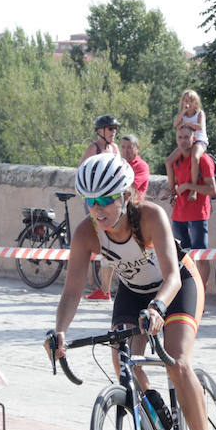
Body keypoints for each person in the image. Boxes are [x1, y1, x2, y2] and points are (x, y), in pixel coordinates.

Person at [47, 153, 216, 430]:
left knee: (177, 360)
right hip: (135, 290)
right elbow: (72, 291)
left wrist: (157, 308)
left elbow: (171, 276)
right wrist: (60, 331)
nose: (98, 209)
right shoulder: (86, 233)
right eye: (90, 201)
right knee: (121, 358)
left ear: (125, 194)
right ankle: (155, 415)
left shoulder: (150, 216)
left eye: (105, 200)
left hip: (177, 284)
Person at [163, 125, 216, 287]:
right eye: (180, 137)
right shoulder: (176, 161)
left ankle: (201, 292)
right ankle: (186, 291)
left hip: (198, 215)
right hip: (178, 214)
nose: (183, 141)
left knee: (201, 256)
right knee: (181, 257)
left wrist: (188, 186)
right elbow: (174, 187)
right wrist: (172, 194)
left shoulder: (204, 160)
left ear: (194, 139)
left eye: (187, 137)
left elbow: (212, 190)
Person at [81, 115, 122, 300]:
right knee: (100, 240)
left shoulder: (115, 149)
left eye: (114, 129)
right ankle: (100, 286)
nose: (113, 132)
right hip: (95, 199)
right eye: (110, 129)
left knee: (109, 240)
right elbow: (82, 172)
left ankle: (104, 288)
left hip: (111, 199)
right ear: (100, 131)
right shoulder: (94, 149)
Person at [165, 89, 208, 193]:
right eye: (186, 101)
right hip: (187, 142)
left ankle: (193, 188)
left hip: (199, 141)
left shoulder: (199, 113)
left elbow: (200, 127)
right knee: (168, 161)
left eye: (191, 101)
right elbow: (175, 124)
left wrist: (187, 124)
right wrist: (183, 112)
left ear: (196, 102)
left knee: (195, 157)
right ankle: (171, 188)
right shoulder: (183, 116)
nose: (188, 103)